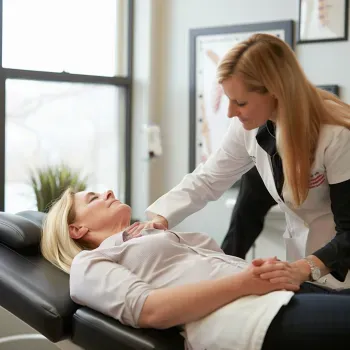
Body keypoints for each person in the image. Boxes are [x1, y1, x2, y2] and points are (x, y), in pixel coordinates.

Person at [144, 33, 350, 291]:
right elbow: (208, 179)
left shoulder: (336, 136)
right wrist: (160, 218)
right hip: (302, 270)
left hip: (341, 269)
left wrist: (303, 268)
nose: (230, 112)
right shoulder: (247, 128)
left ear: (275, 91)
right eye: (228, 99)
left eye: (240, 102)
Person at [42, 188, 350, 350]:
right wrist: (246, 283)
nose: (108, 191)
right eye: (93, 198)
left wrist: (265, 273)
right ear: (76, 228)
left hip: (277, 295)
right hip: (248, 318)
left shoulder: (147, 236)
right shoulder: (88, 264)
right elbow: (150, 310)